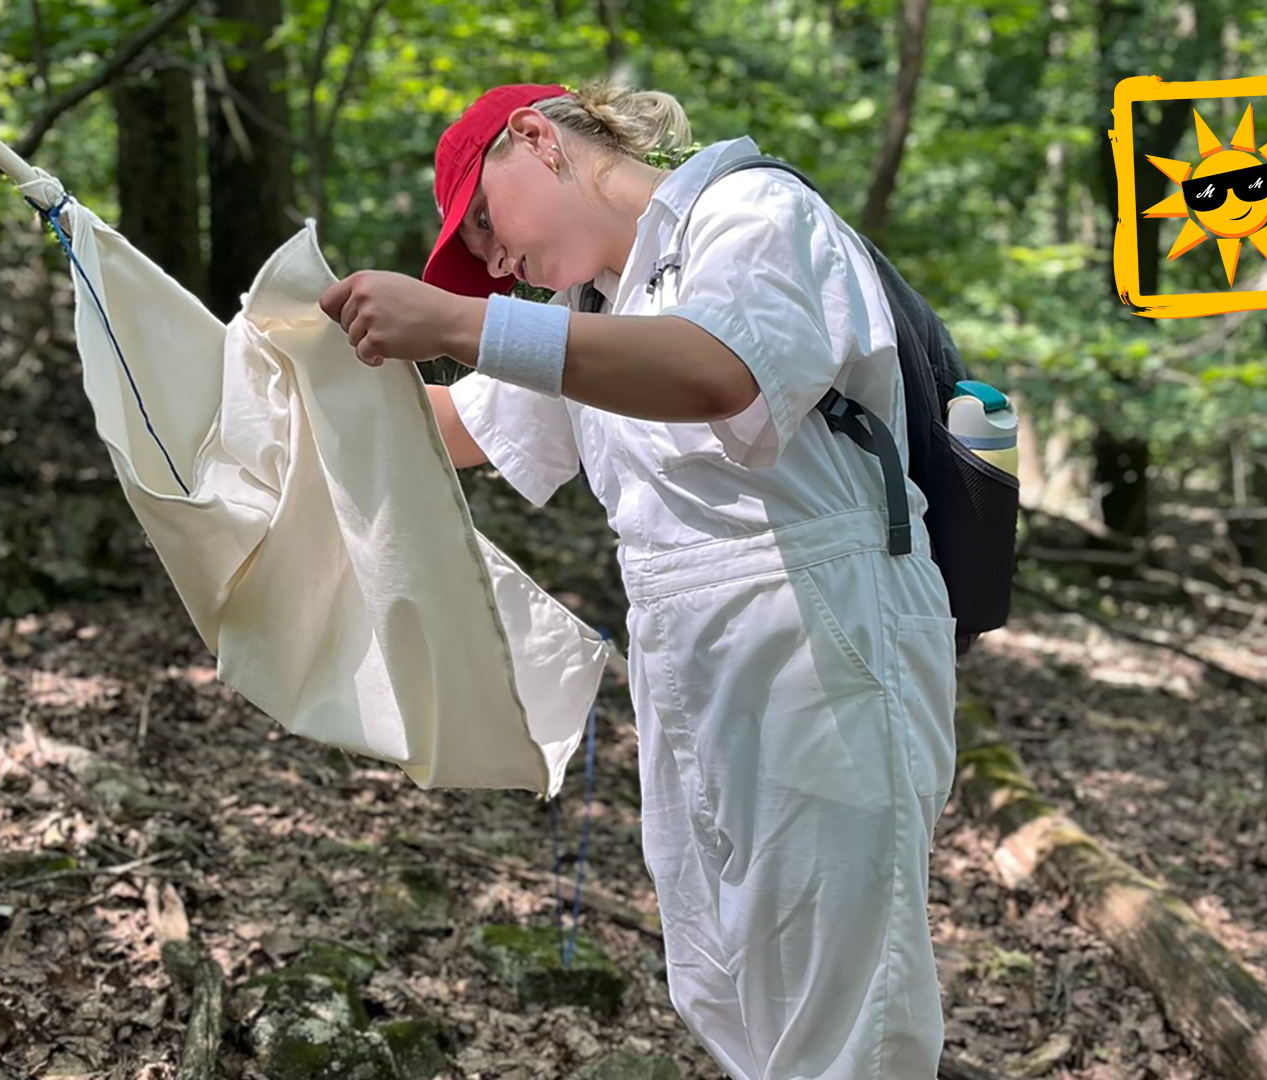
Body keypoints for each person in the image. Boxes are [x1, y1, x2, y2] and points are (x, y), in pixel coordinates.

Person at [318, 80, 959, 1080]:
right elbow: (446, 432)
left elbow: (720, 371)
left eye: (484, 222)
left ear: (540, 139)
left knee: (845, 997)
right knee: (728, 976)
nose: (492, 263)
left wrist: (457, 324)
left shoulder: (750, 210)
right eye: (475, 257)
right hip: (683, 642)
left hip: (819, 622)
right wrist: (266, 382)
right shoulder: (589, 309)